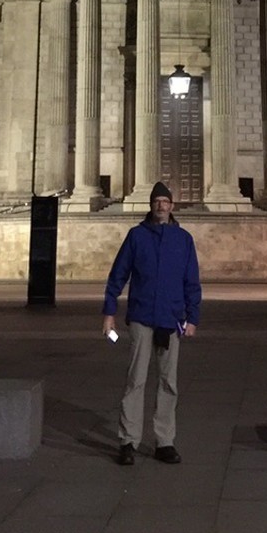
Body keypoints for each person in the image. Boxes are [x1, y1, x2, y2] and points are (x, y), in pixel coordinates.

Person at [102, 180, 201, 466]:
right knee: (136, 380)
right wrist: (109, 313)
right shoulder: (136, 236)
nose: (161, 205)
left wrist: (192, 318)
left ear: (172, 206)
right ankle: (128, 440)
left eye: (165, 201)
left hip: (171, 320)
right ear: (151, 205)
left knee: (169, 383)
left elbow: (191, 282)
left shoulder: (183, 240)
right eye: (157, 201)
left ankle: (164, 441)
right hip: (142, 318)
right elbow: (117, 275)